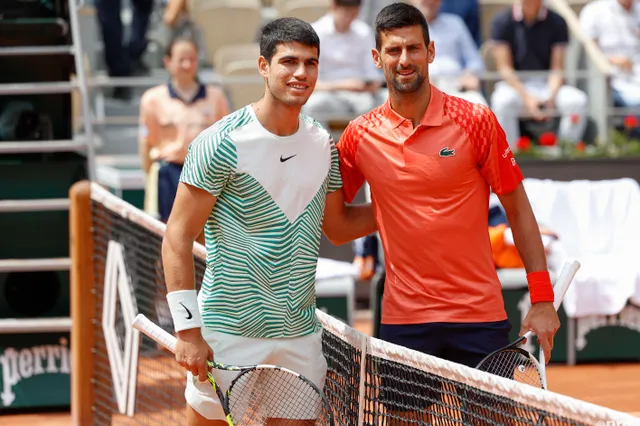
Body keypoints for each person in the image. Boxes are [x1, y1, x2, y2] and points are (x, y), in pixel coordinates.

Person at [336, 2, 559, 420]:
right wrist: (391, 207)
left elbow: (519, 211)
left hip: (479, 315)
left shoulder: (476, 120)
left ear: (431, 51)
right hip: (405, 321)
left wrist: (542, 298)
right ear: (376, 57)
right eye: (394, 50)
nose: (405, 60)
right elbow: (335, 227)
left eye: (414, 49)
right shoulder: (358, 135)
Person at [162, 17, 377, 426]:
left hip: (298, 335)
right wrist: (189, 330)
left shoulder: (322, 144)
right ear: (264, 66)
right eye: (289, 62)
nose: (301, 73)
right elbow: (177, 237)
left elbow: (338, 227)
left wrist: (403, 207)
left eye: (311, 63)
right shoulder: (220, 142)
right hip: (226, 334)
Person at [139, 35, 230, 225]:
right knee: (164, 232)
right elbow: (146, 143)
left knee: (205, 230)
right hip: (168, 174)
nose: (187, 64)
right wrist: (150, 178)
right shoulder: (152, 99)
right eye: (181, 59)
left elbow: (227, 141)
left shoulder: (216, 96)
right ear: (167, 62)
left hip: (206, 174)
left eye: (192, 59)